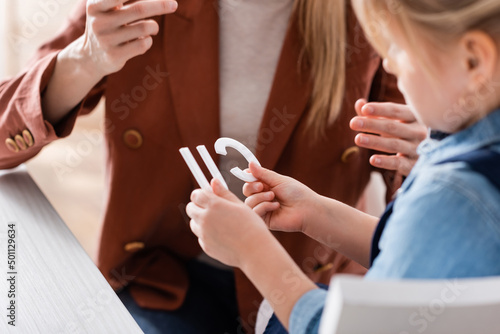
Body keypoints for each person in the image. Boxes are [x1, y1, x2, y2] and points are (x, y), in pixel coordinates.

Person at [0, 0, 425, 333]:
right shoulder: (137, 4)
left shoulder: (369, 15)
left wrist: (426, 156)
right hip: (161, 280)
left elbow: (415, 212)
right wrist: (84, 60)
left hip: (308, 280)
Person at [186, 0, 500, 333]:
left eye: (398, 47)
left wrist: (252, 252)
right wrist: (316, 213)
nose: (390, 65)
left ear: (473, 60)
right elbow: (423, 253)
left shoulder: (450, 195)